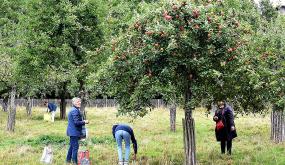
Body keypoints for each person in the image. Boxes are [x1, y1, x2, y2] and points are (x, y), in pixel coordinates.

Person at [66, 97, 89, 164]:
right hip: (74, 132)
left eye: (80, 101)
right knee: (75, 147)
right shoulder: (74, 110)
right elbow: (76, 122)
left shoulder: (75, 109)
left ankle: (68, 160)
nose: (79, 103)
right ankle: (75, 162)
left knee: (72, 146)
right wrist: (84, 121)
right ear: (73, 103)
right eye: (77, 102)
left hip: (73, 132)